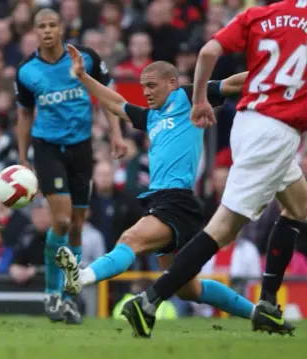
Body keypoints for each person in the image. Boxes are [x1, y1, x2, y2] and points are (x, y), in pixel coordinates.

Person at [121, 0, 307, 338]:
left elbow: (208, 51)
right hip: (276, 133)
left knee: (298, 205)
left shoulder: (260, 14)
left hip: (249, 121)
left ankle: (267, 301)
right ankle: (150, 300)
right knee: (222, 230)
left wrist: (200, 100)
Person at [57, 44, 258, 323]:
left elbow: (232, 83)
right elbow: (115, 103)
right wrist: (83, 77)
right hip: (162, 201)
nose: (147, 92)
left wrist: (271, 74)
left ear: (173, 83)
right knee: (190, 288)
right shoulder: (151, 117)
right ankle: (258, 314)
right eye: (143, 87)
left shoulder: (188, 97)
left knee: (130, 240)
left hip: (178, 201)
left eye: (152, 85)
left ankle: (82, 276)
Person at [15, 8, 127, 324]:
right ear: (34, 32)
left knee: (78, 224)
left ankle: (67, 297)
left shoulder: (85, 58)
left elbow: (108, 98)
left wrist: (117, 135)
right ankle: (52, 292)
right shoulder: (26, 71)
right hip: (48, 148)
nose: (48, 31)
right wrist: (24, 157)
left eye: (52, 25)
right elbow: (24, 114)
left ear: (62, 28)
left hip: (81, 148)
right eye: (42, 26)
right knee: (62, 221)